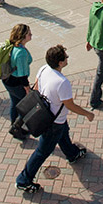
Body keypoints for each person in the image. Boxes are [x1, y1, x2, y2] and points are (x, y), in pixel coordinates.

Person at [15, 45, 95, 194]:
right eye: (65, 57)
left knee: (64, 134)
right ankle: (23, 180)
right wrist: (87, 114)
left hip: (52, 117)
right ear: (60, 62)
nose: (67, 58)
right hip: (53, 122)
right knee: (42, 151)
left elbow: (37, 88)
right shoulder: (62, 82)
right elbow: (70, 105)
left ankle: (72, 154)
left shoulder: (44, 68)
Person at [3, 24, 34, 140]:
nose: (31, 35)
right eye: (29, 33)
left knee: (15, 103)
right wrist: (27, 88)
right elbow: (22, 74)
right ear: (22, 36)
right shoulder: (21, 53)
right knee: (26, 107)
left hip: (8, 81)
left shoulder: (13, 46)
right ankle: (16, 127)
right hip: (17, 83)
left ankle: (14, 125)